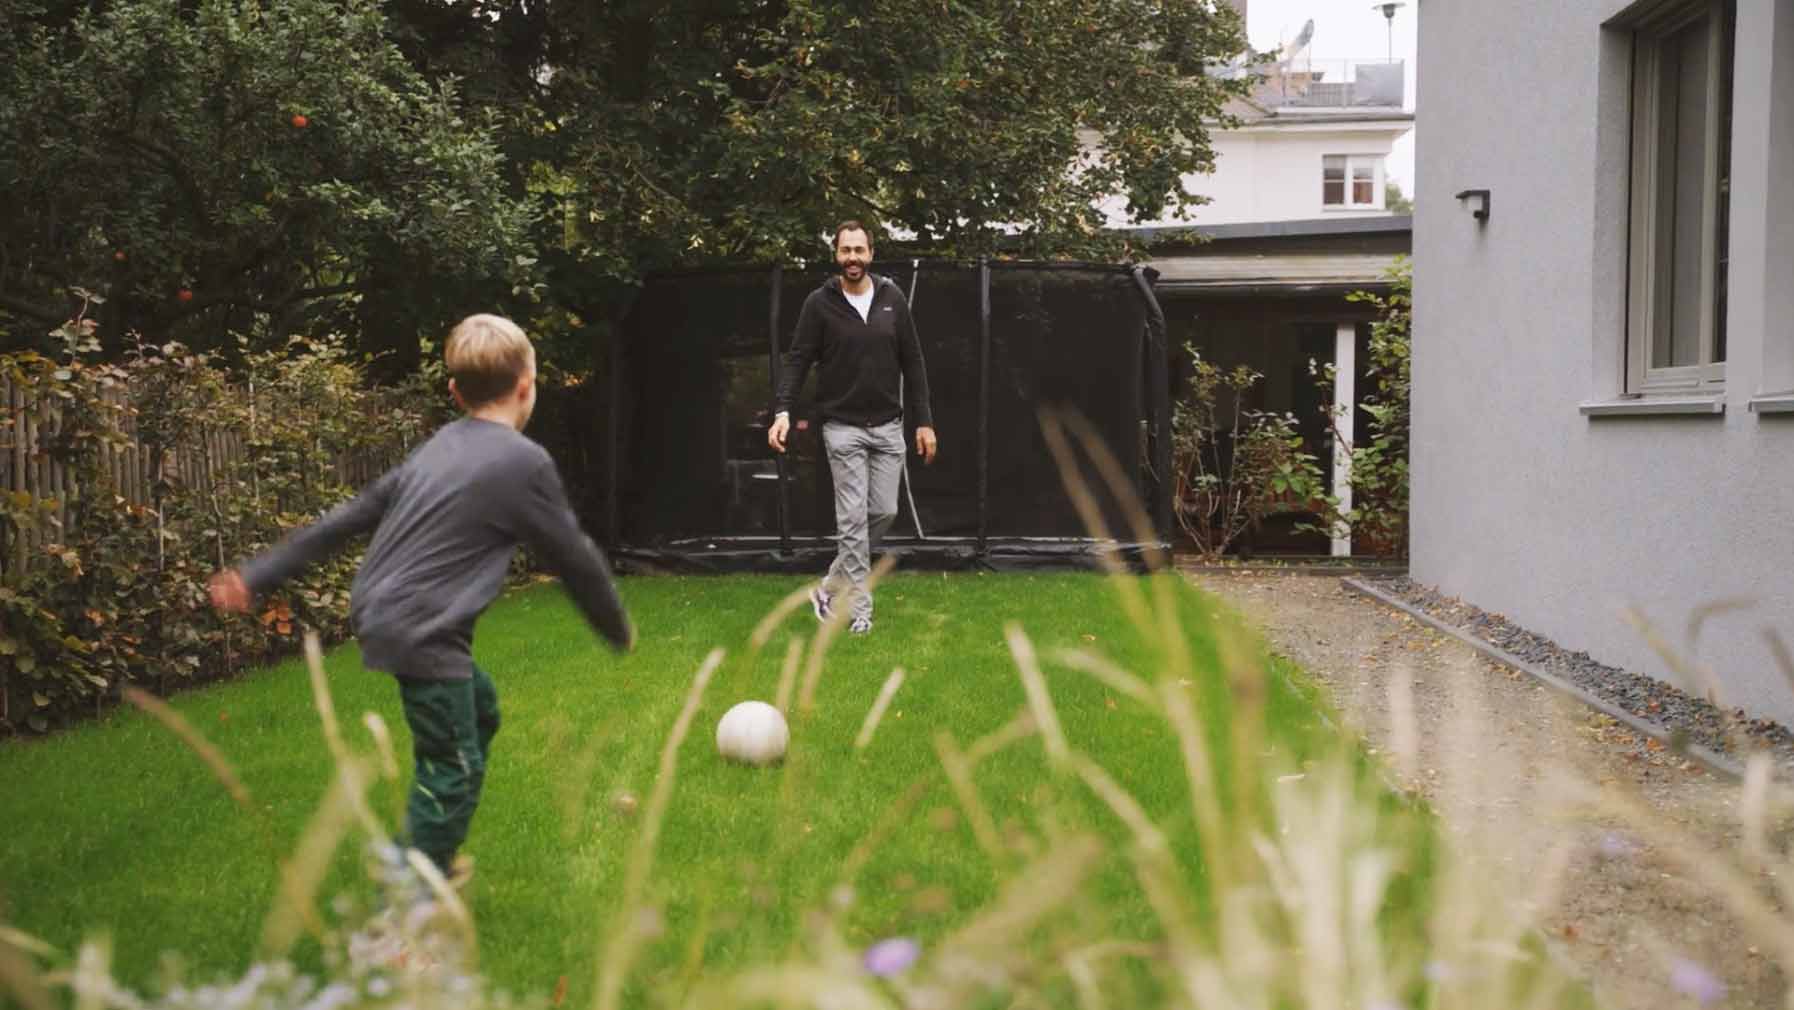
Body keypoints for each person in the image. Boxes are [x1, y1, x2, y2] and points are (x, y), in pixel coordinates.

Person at [208, 314, 633, 886]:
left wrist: (259, 573)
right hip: (423, 627)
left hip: (385, 610)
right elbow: (574, 556)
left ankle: (433, 847)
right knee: (453, 768)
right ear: (528, 386)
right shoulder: (523, 462)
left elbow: (352, 515)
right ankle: (407, 911)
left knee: (478, 710)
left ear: (455, 392)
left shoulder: (441, 446)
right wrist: (615, 628)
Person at [768, 221, 936, 634]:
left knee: (884, 511)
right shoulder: (819, 304)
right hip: (842, 429)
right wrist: (782, 411)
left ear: (871, 254)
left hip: (888, 428)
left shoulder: (892, 298)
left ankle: (828, 587)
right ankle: (858, 611)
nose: (853, 258)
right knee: (852, 522)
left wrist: (924, 422)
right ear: (836, 256)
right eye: (845, 251)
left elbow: (913, 363)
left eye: (859, 250)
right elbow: (798, 361)